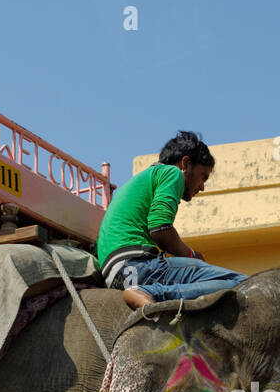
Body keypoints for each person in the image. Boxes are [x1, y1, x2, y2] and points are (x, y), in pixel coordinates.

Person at [95, 131, 247, 310]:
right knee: (240, 282)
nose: (203, 187)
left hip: (117, 275)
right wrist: (192, 255)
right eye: (203, 176)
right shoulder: (172, 173)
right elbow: (160, 228)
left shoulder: (138, 181)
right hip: (137, 266)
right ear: (185, 163)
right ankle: (152, 293)